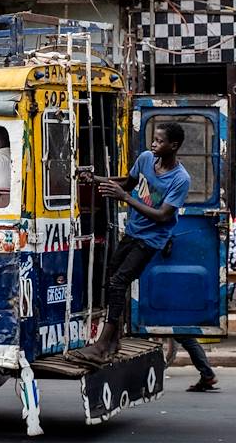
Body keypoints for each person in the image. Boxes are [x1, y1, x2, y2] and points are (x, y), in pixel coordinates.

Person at [63, 121, 189, 366]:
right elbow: (128, 182)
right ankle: (113, 341)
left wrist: (125, 199)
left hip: (152, 239)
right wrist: (96, 178)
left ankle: (102, 346)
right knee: (112, 279)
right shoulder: (145, 159)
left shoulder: (180, 179)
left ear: (173, 146)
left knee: (119, 281)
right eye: (154, 139)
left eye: (160, 141)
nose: (154, 143)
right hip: (133, 231)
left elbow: (163, 215)